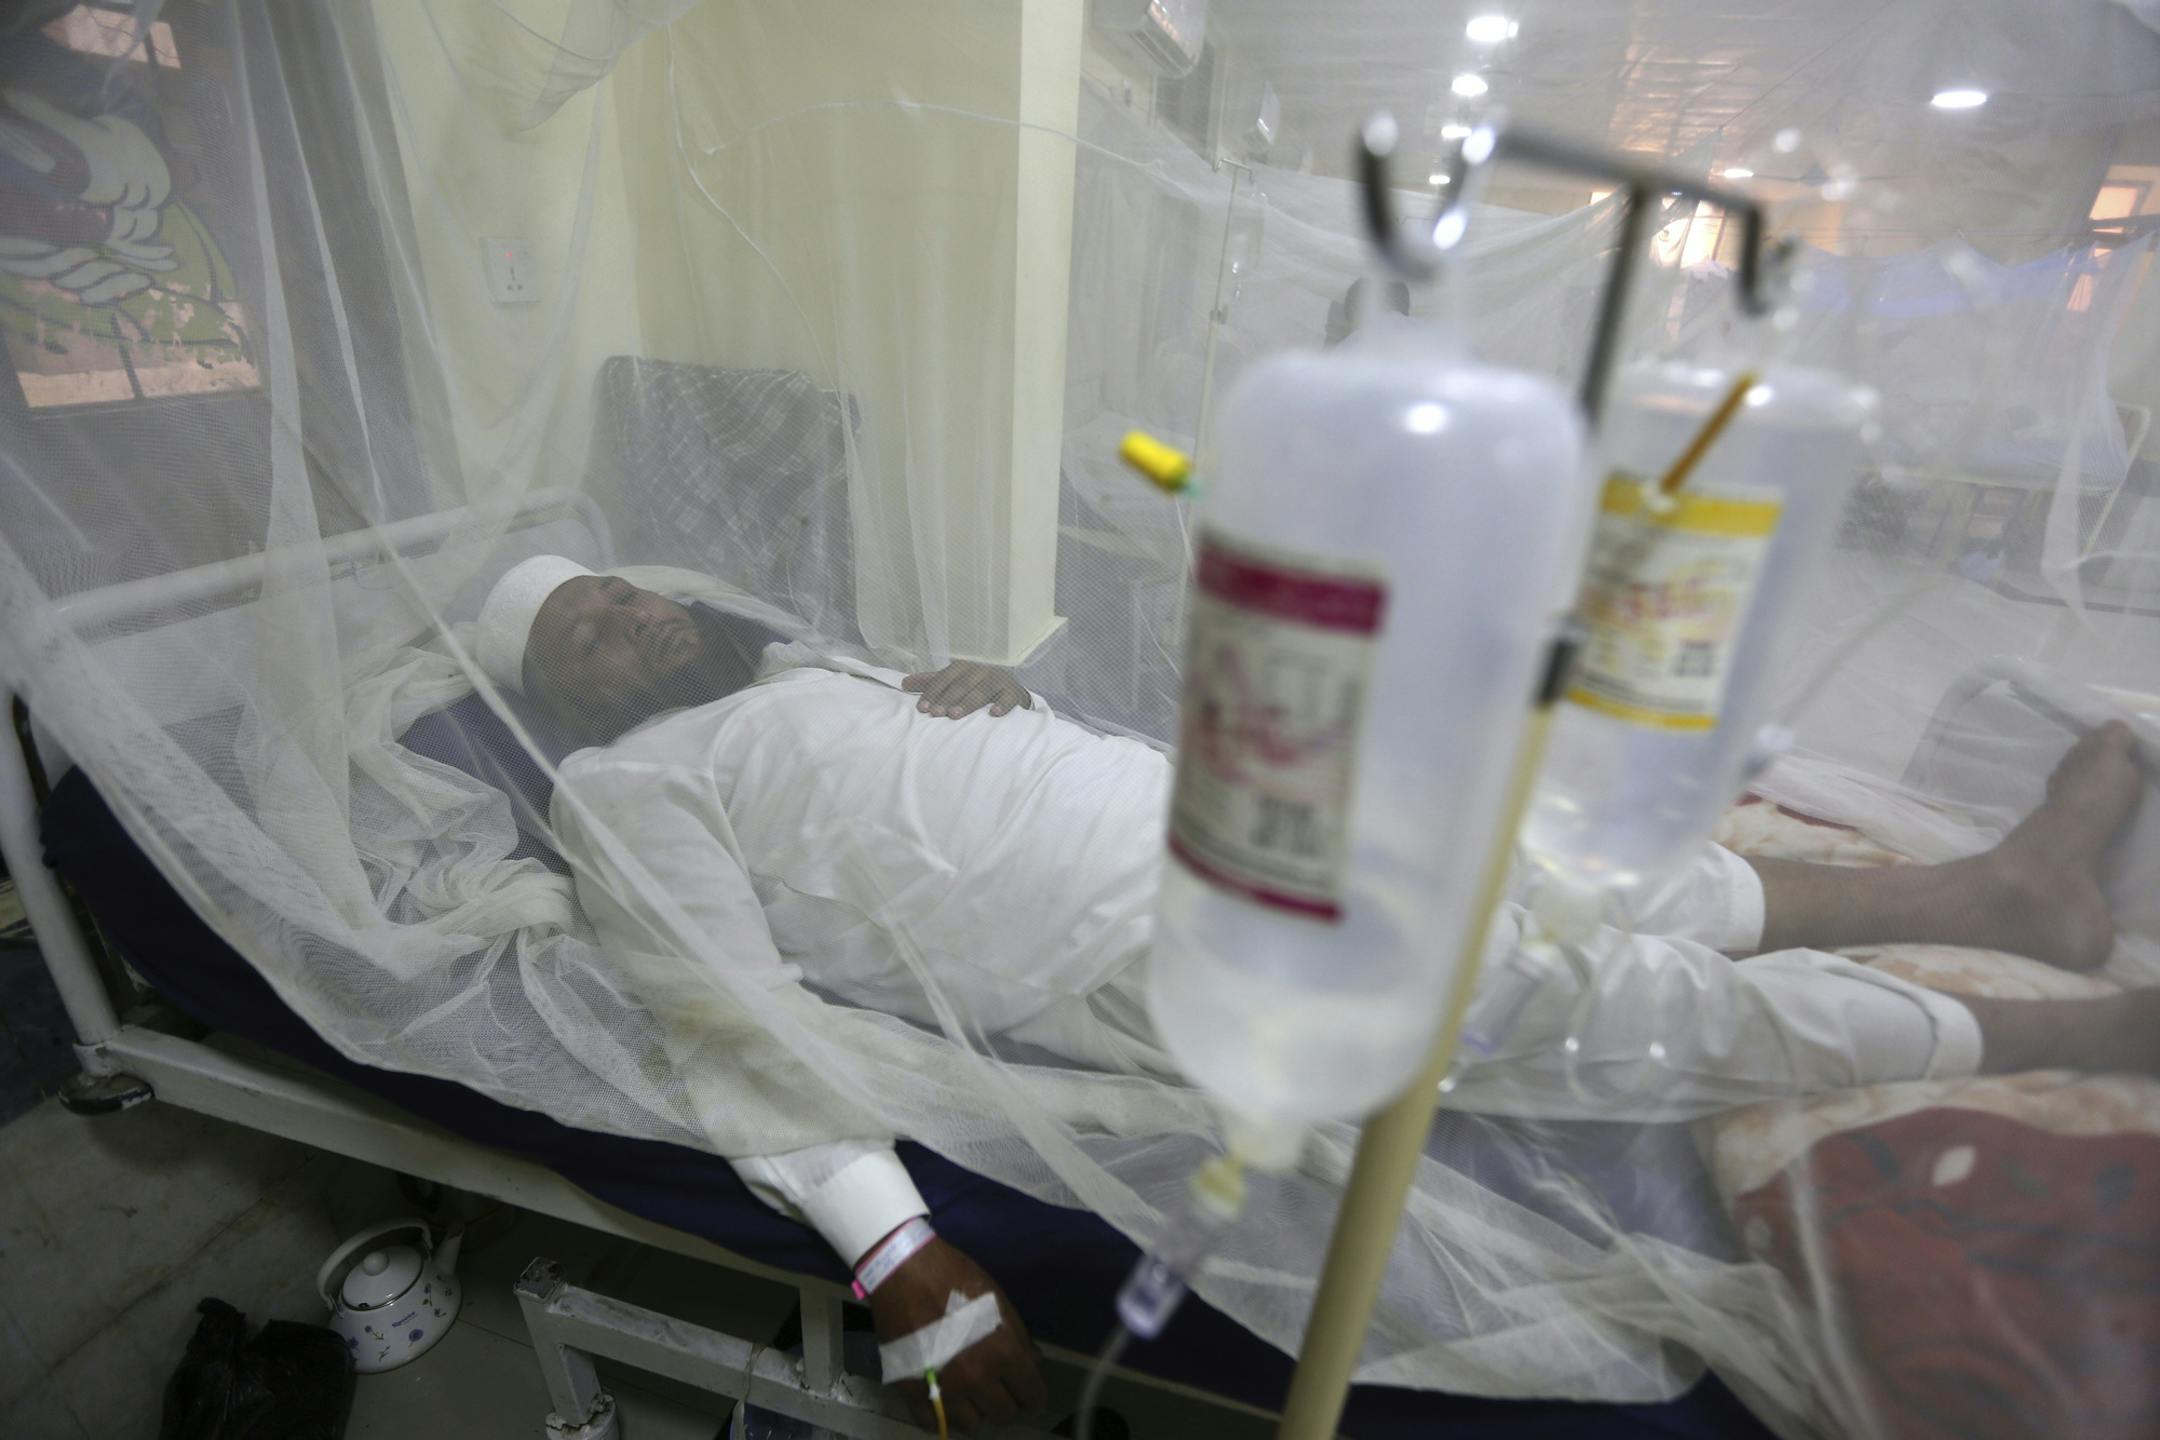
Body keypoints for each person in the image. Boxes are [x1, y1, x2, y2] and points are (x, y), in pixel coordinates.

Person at [474, 555, 2152, 1432]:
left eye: (625, 595)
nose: (633, 623)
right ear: (558, 711)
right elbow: (723, 1008)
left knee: (1542, 859)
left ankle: (1979, 894)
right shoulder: (622, 792)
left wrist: (990, 690)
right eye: (585, 642)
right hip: (1141, 944)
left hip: (1204, 821)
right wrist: (895, 1250)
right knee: (1565, 987)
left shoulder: (805, 666)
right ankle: (2046, 1026)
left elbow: (913, 793)